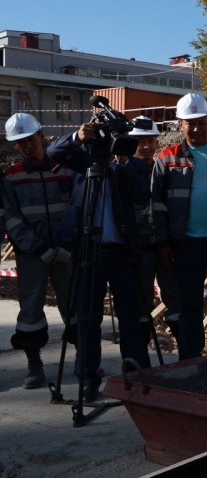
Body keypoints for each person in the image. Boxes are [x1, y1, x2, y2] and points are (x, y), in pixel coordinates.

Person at [47, 115, 152, 401]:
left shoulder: (132, 166)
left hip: (122, 252)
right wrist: (78, 138)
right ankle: (88, 378)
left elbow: (143, 195)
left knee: (131, 316)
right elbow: (53, 152)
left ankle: (137, 373)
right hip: (87, 249)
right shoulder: (84, 161)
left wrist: (123, 161)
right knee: (87, 318)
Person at [151, 94, 207, 359]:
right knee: (190, 305)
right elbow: (155, 204)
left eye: (201, 122)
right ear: (180, 124)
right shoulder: (166, 158)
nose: (196, 128)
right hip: (186, 244)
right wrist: (162, 242)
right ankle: (191, 360)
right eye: (190, 123)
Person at [2, 113, 75, 389]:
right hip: (33, 255)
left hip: (65, 251)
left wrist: (68, 244)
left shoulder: (65, 168)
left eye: (30, 139)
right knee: (30, 309)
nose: (27, 146)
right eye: (20, 142)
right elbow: (12, 219)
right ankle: (35, 365)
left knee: (74, 305)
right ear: (15, 146)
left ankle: (83, 358)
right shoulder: (12, 177)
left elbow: (76, 208)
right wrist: (38, 247)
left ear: (41, 136)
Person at [130, 117, 180, 348]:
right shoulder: (122, 172)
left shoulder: (164, 169)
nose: (146, 146)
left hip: (165, 246)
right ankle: (140, 350)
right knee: (140, 303)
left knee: (175, 299)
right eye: (140, 141)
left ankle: (186, 349)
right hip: (139, 248)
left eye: (150, 140)